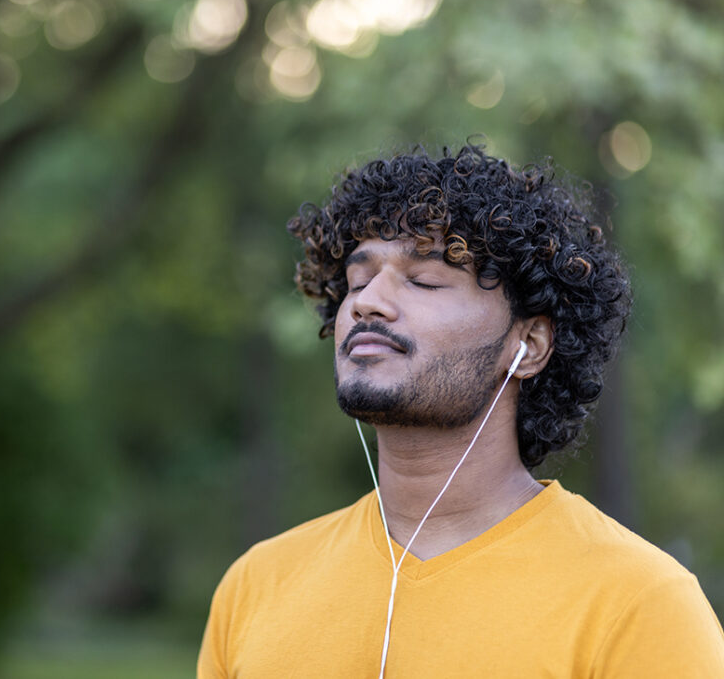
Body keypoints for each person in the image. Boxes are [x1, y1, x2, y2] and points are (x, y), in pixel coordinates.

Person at [197, 143, 724, 677]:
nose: (366, 302)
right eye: (357, 282)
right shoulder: (255, 585)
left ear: (530, 346)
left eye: (424, 279)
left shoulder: (639, 603)